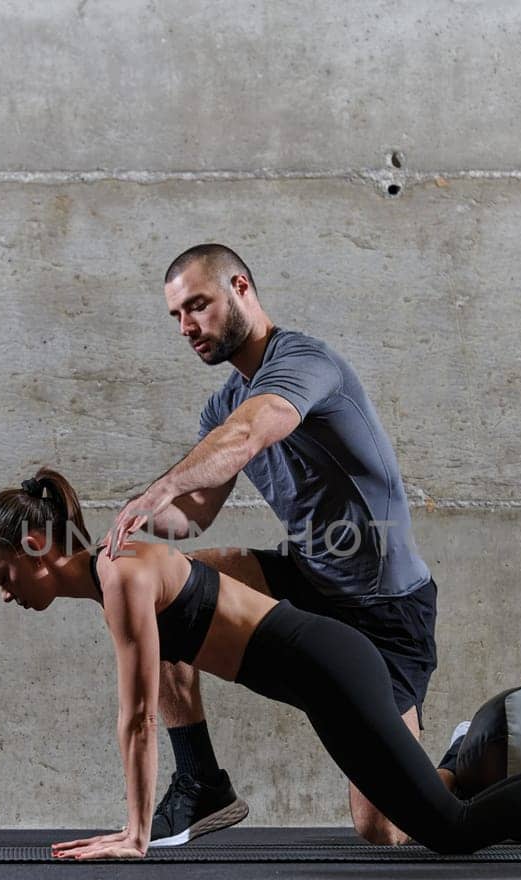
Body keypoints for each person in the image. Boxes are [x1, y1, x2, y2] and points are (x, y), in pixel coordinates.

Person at [0, 469, 521, 861]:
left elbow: (133, 717)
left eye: (1, 574)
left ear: (36, 544)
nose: (3, 595)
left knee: (451, 827)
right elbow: (169, 686)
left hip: (332, 666)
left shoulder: (121, 571)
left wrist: (132, 832)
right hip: (325, 677)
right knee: (442, 826)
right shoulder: (116, 576)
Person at [104, 244, 441, 847]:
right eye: (177, 315)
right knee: (156, 588)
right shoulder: (222, 404)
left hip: (385, 608)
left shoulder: (304, 363)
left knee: (383, 827)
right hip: (309, 578)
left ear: (241, 287)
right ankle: (202, 783)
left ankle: (470, 760)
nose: (187, 327)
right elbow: (193, 518)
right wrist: (112, 529)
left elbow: (251, 432)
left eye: (198, 306)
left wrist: (164, 485)